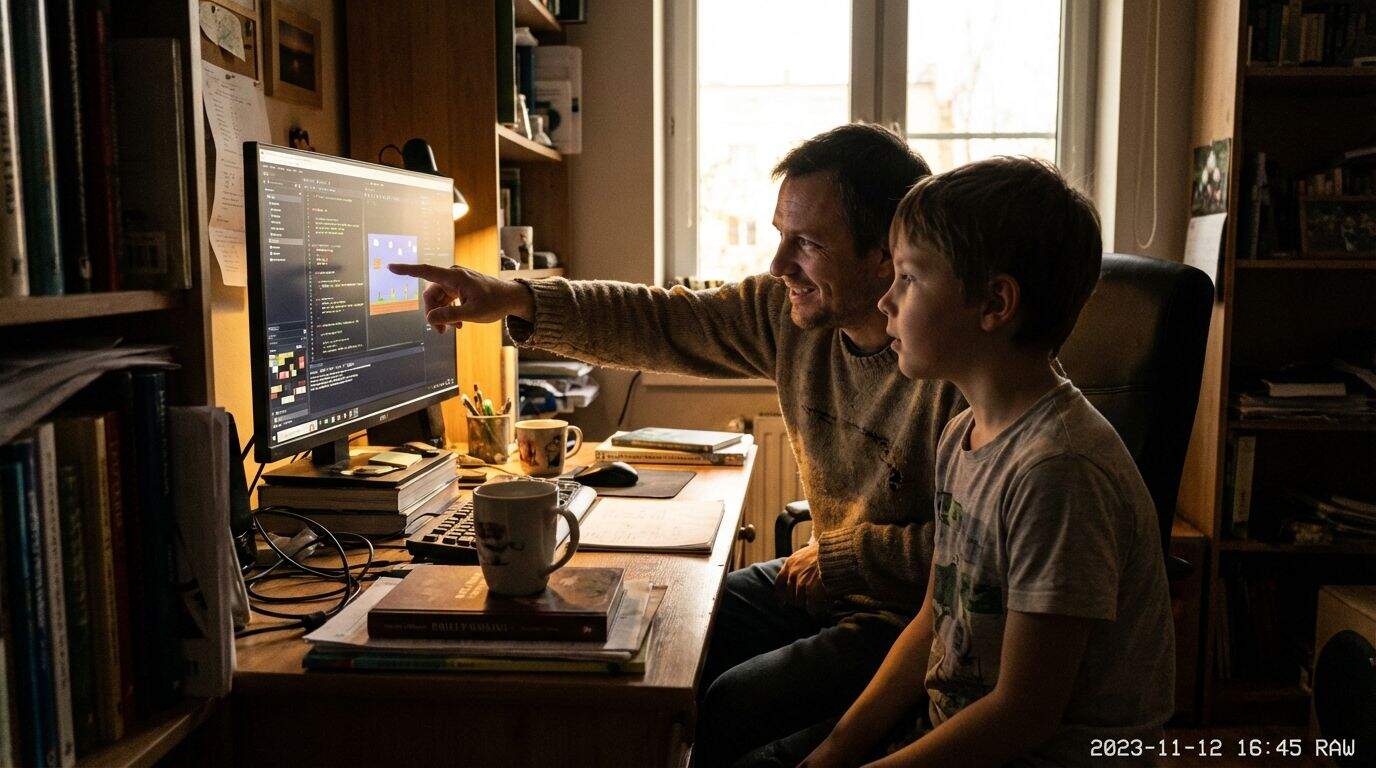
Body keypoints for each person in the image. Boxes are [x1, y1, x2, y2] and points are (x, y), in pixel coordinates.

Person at [388, 123, 966, 766]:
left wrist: (849, 554)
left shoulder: (953, 363)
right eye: (780, 237)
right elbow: (666, 321)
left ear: (887, 253)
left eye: (805, 244)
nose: (779, 267)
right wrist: (517, 297)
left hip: (910, 618)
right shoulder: (789, 314)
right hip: (824, 582)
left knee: (727, 704)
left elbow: (981, 552)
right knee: (666, 636)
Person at [763, 157, 1173, 767]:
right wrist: (838, 748)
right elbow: (935, 615)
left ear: (994, 303)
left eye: (907, 278)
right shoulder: (963, 434)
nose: (885, 302)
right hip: (949, 728)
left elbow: (1024, 714)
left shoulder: (1057, 471)